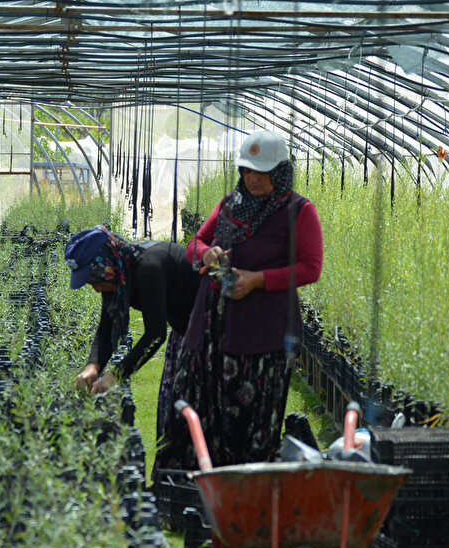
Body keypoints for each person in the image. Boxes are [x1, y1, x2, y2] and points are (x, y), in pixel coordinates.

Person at [157, 129, 324, 471]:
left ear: (280, 172)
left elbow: (311, 268)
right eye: (247, 171)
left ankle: (246, 487)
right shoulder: (230, 205)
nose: (253, 179)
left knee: (253, 416)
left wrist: (258, 280)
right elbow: (195, 243)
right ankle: (197, 482)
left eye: (262, 172)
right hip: (212, 326)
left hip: (264, 333)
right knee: (200, 403)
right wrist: (207, 254)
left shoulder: (299, 211)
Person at [65, 226, 201, 432]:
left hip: (206, 335)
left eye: (94, 280)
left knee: (190, 408)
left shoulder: (150, 268)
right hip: (185, 332)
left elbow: (155, 334)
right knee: (172, 414)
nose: (95, 288)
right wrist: (93, 367)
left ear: (106, 266)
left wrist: (116, 376)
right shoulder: (118, 273)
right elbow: (106, 327)